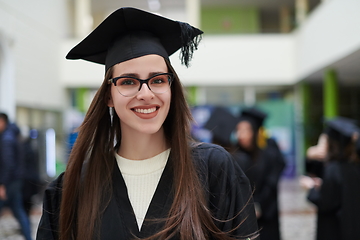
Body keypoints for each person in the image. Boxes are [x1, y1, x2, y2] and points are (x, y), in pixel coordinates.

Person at [36, 7, 259, 240]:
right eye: (128, 81)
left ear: (171, 89)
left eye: (158, 80)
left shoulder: (213, 169)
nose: (146, 93)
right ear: (108, 96)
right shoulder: (72, 187)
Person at [300, 117, 360, 240]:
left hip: (334, 229)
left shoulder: (332, 169)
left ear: (332, 144)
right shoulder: (353, 167)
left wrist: (311, 187)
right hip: (351, 228)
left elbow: (325, 202)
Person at [232, 107, 285, 240]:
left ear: (255, 132)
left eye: (246, 130)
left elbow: (271, 184)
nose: (241, 135)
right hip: (243, 217)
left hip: (266, 214)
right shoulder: (236, 156)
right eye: (238, 130)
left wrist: (259, 205)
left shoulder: (268, 155)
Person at [0, 112, 33, 240]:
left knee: (18, 210)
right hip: (16, 180)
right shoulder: (12, 135)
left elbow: (8, 164)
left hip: (9, 182)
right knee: (18, 210)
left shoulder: (6, 139)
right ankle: (28, 236)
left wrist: (3, 184)